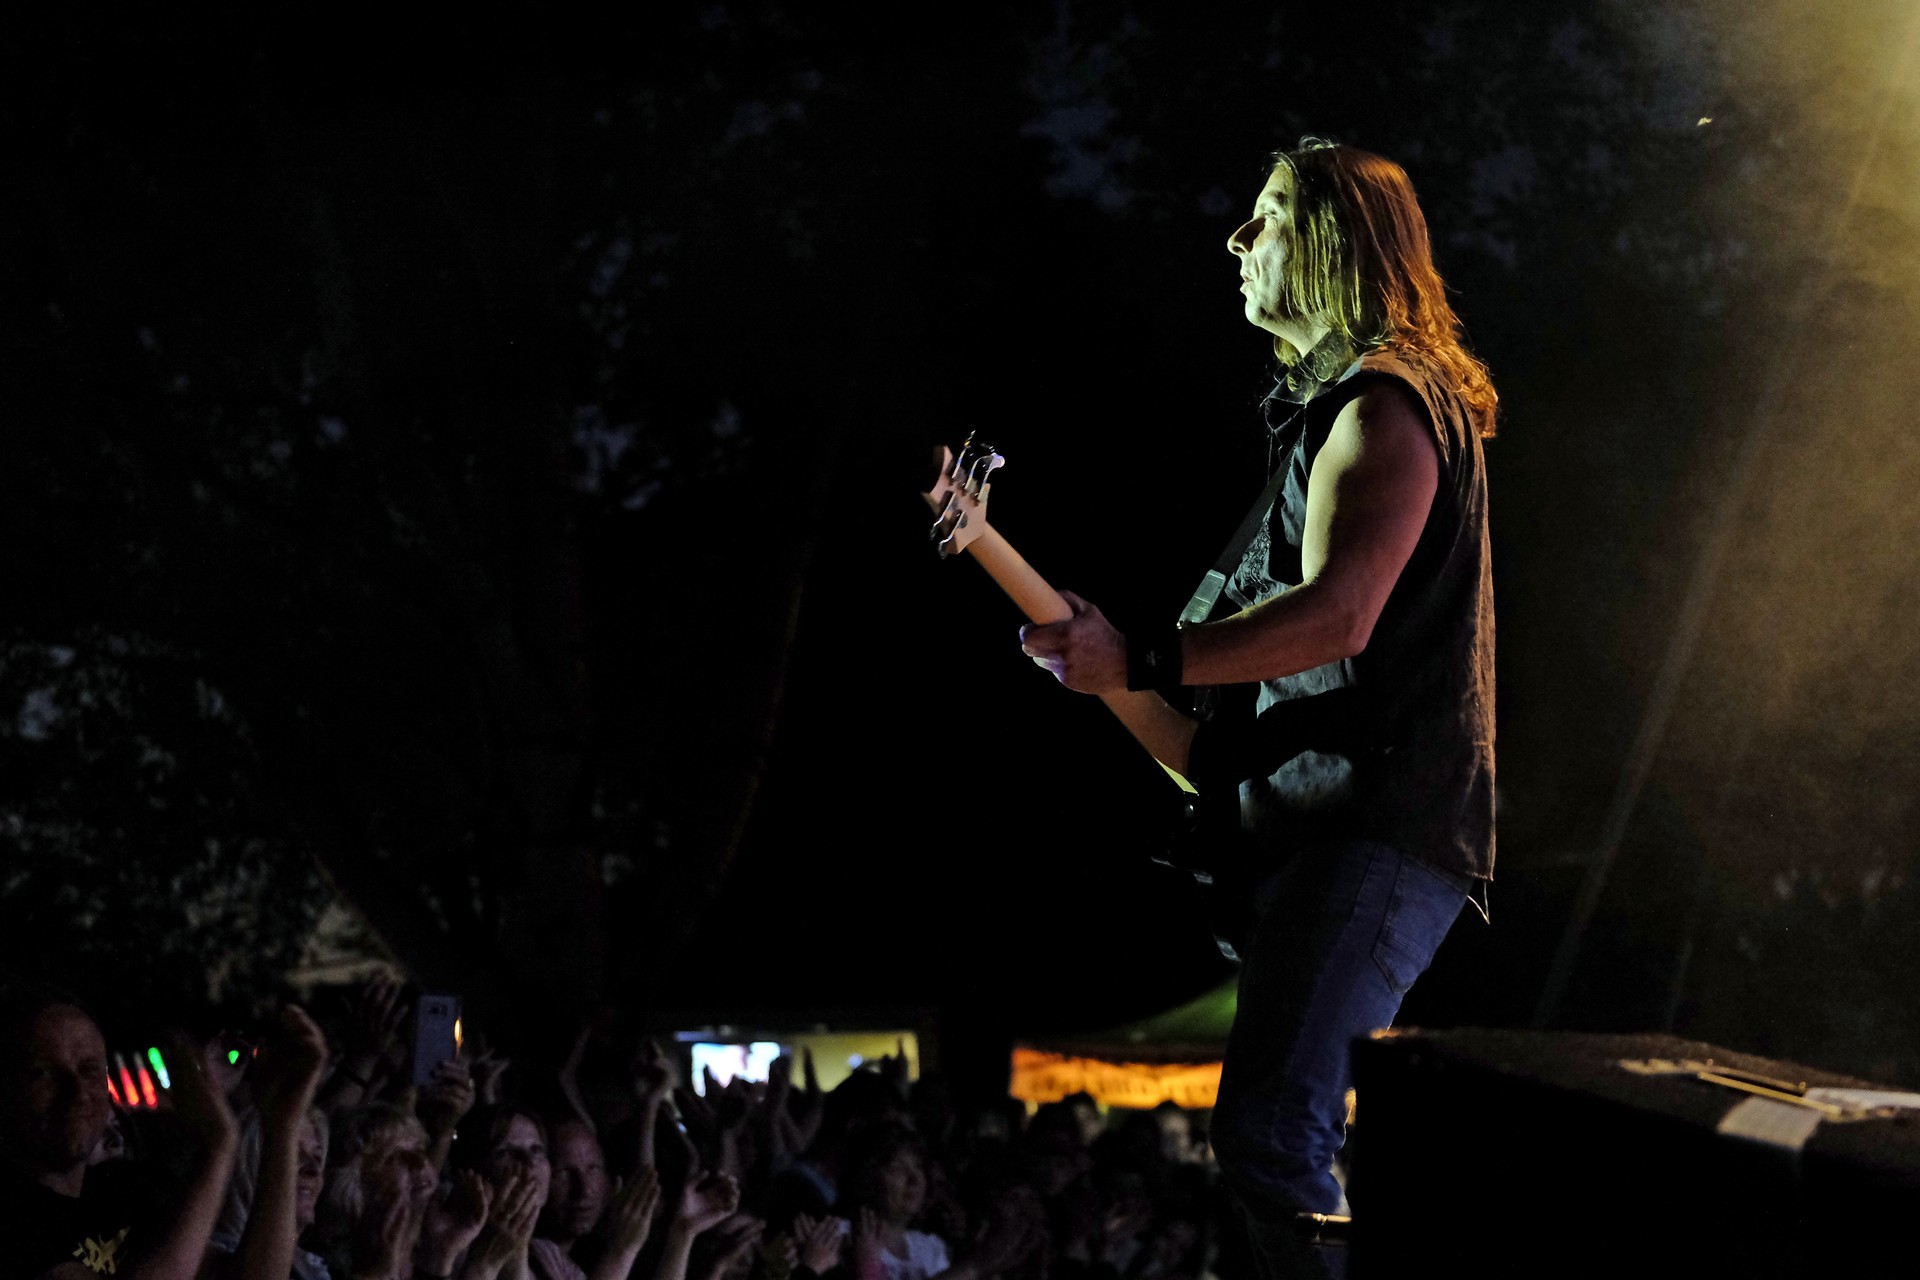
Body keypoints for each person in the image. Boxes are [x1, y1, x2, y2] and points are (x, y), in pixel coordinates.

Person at [1018, 139, 1496, 1277]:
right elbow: (1213, 748)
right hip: (1326, 836)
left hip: (1377, 830)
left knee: (1273, 1133)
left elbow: (1342, 615)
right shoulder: (1336, 420)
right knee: (1279, 1137)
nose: (1237, 238)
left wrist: (1141, 650)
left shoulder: (1386, 405)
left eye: (1269, 213)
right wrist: (1111, 674)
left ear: (1336, 243)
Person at [0, 983, 240, 1279]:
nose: (78, 1092)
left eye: (89, 1069)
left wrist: (283, 1123)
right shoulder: (12, 1221)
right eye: (44, 1074)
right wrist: (219, 1145)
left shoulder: (121, 1191)